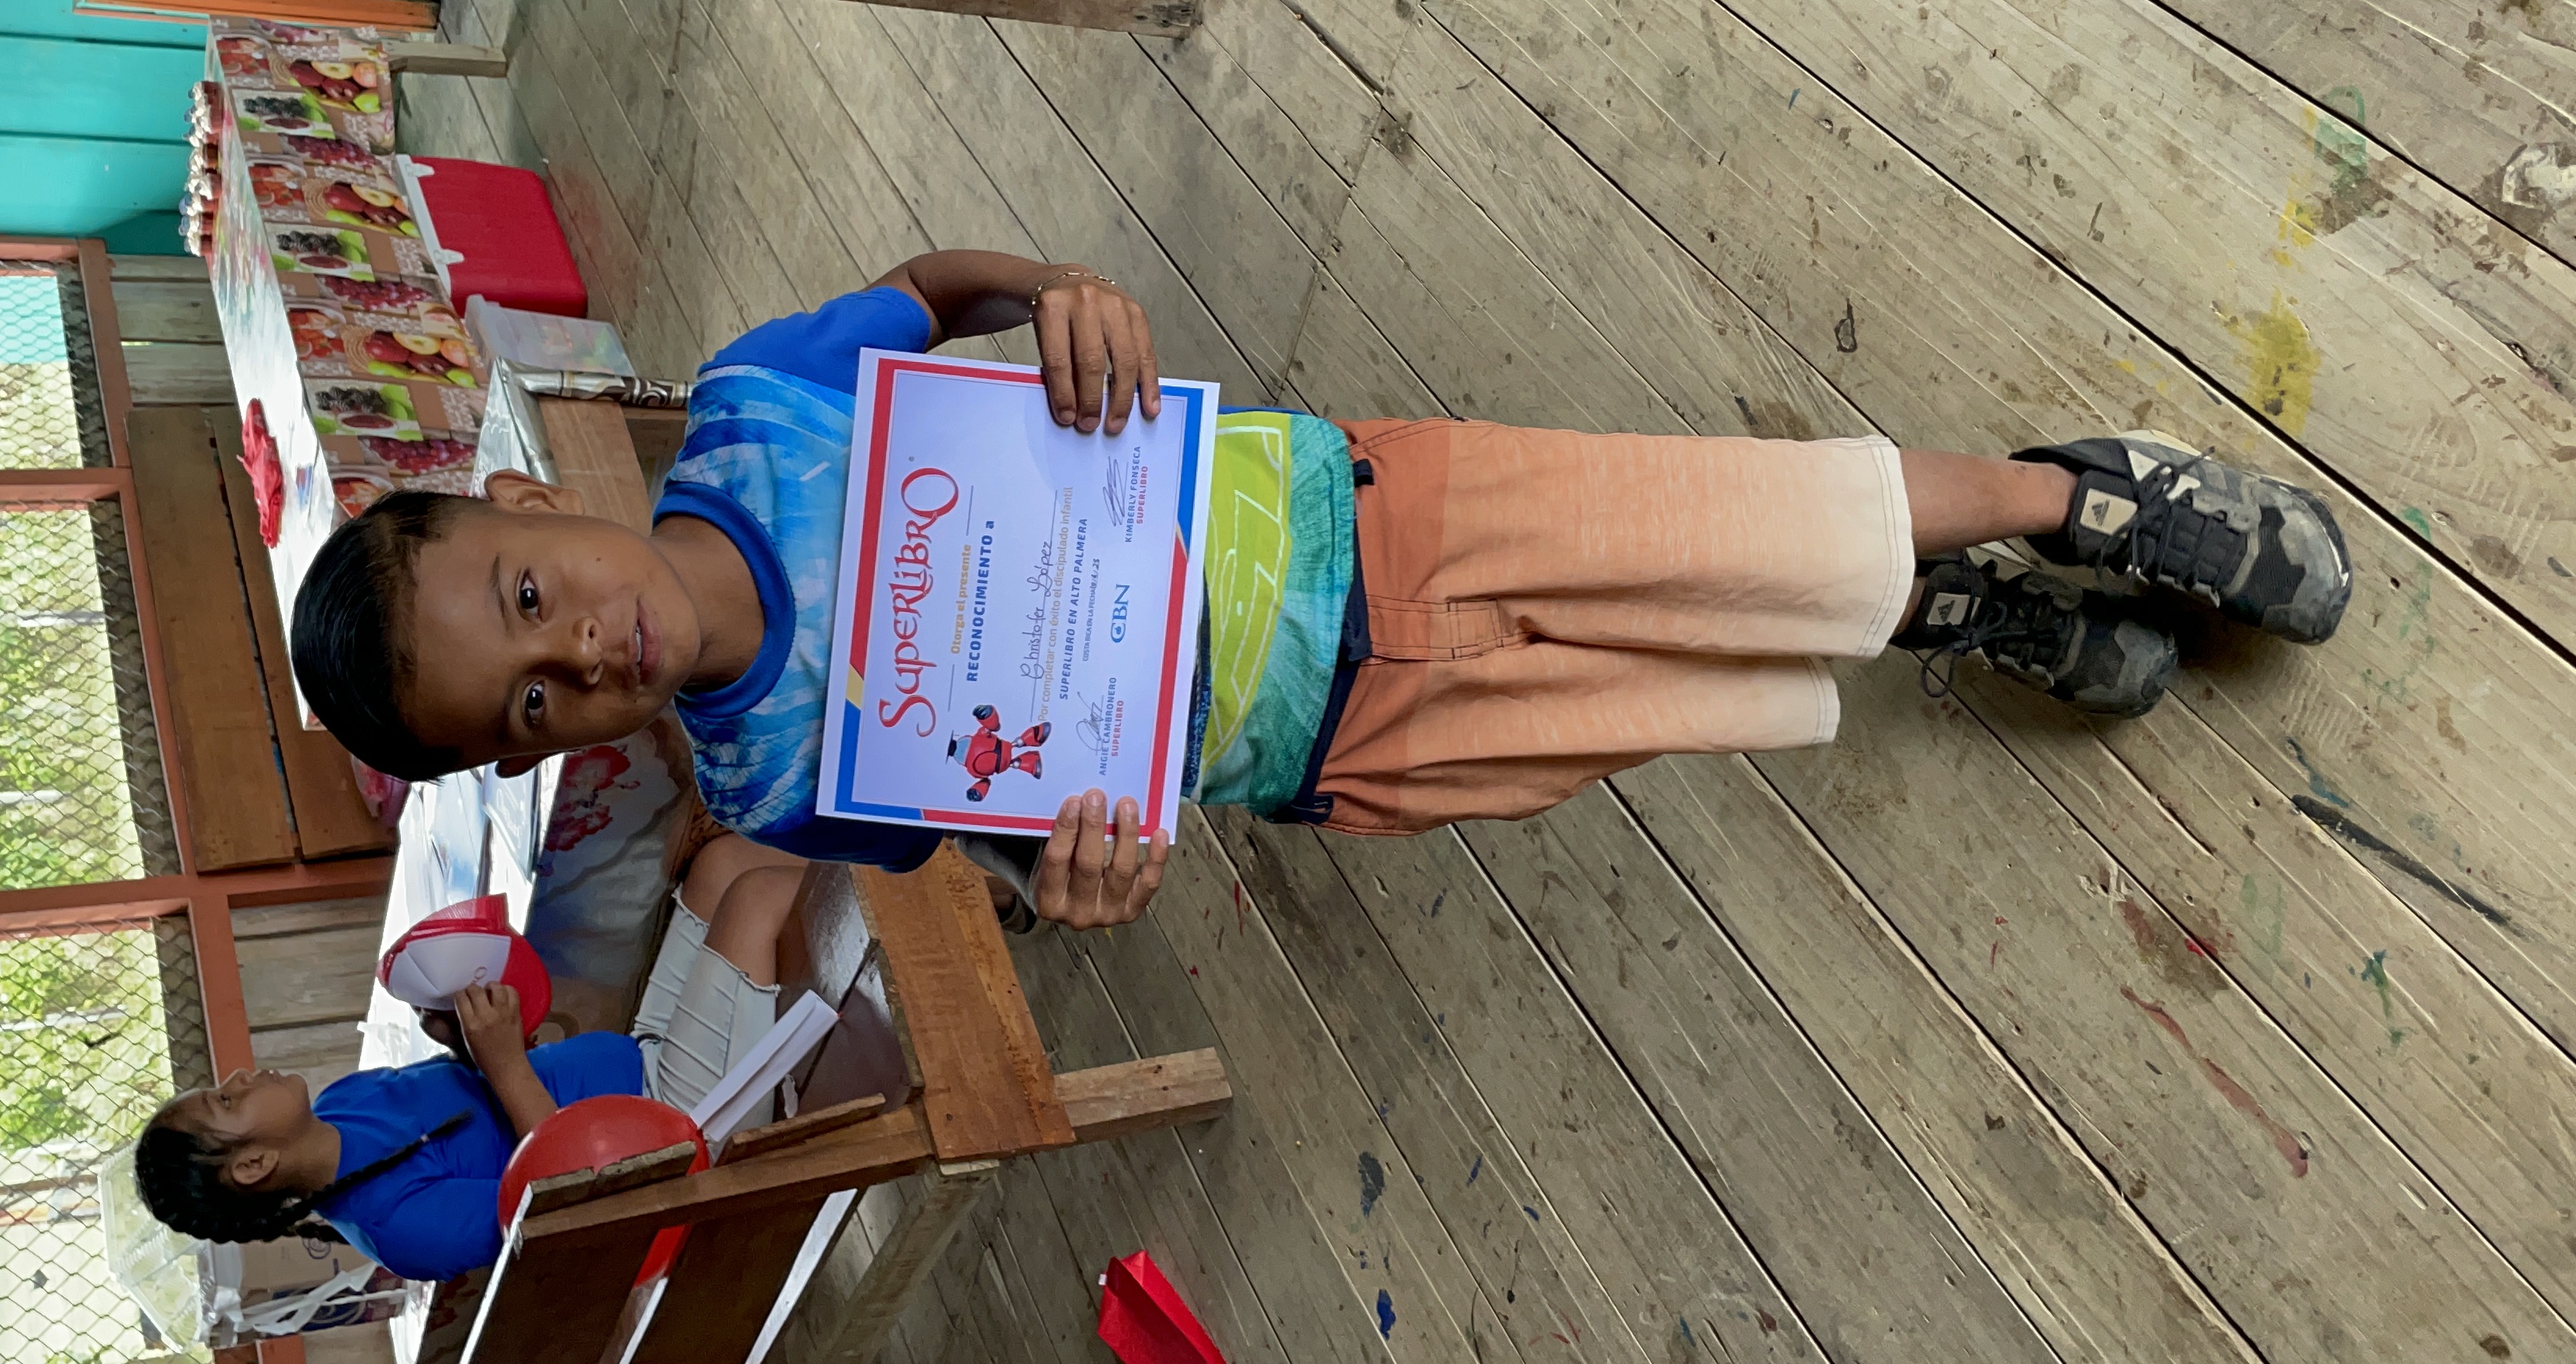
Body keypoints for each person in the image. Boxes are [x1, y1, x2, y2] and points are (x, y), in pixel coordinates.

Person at [288, 250, 2352, 928]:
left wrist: (1058, 298)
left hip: (1366, 520)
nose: (584, 648)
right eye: (534, 703)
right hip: (1339, 741)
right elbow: (988, 833)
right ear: (543, 760)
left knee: (1716, 516)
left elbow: (939, 291)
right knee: (1678, 676)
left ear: (515, 500)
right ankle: (1934, 608)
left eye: (530, 593)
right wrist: (1064, 880)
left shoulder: (756, 406)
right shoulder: (764, 785)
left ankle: (2069, 493)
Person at [133, 834, 804, 1283]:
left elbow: (484, 1104)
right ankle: (906, 899)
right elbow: (590, 1207)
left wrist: (465, 1043)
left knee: (722, 865)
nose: (243, 1076)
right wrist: (507, 1064)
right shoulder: (399, 1228)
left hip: (640, 1067)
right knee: (755, 900)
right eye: (228, 1100)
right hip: (677, 1135)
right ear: (254, 1164)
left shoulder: (343, 1102)